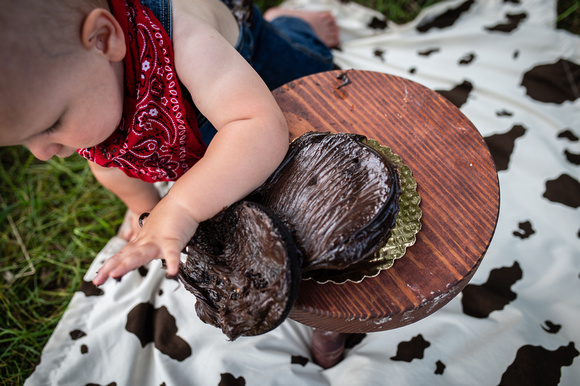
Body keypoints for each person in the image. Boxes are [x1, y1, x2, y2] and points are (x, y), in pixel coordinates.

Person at [0, 0, 339, 285]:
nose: (43, 154)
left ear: (103, 39)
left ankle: (292, 23)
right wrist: (146, 210)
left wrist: (181, 206)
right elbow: (110, 166)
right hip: (184, 113)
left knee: (312, 82)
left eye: (52, 124)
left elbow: (259, 126)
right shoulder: (89, 82)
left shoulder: (186, 41)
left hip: (246, 61)